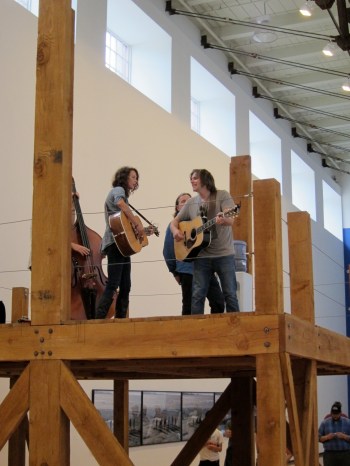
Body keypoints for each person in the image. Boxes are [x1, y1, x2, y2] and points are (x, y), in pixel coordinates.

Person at [170, 169, 240, 314]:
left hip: (224, 254)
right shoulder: (191, 202)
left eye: (195, 178)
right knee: (197, 296)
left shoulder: (222, 195)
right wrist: (176, 231)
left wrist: (223, 218)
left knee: (230, 294)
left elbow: (231, 219)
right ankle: (197, 330)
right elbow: (174, 222)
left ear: (205, 179)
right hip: (201, 256)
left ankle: (236, 328)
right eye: (191, 178)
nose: (192, 181)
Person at [95, 166, 153, 319]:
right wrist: (137, 223)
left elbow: (126, 229)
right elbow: (120, 203)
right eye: (133, 177)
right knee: (113, 283)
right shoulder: (118, 190)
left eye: (136, 178)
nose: (136, 180)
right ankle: (98, 319)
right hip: (115, 243)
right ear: (124, 177)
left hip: (122, 245)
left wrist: (144, 231)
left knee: (126, 286)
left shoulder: (125, 203)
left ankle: (121, 320)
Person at [163, 192, 225, 315]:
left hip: (206, 268)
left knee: (218, 302)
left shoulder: (202, 222)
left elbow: (212, 244)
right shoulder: (174, 227)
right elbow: (168, 251)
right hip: (186, 270)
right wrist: (175, 272)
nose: (187, 204)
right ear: (177, 208)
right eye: (183, 202)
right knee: (189, 307)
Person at [318, 401, 350, 466]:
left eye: (337, 414)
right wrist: (327, 437)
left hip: (345, 454)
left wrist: (344, 436)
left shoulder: (348, 422)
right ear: (331, 413)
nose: (335, 416)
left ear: (340, 413)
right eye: (333, 414)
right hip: (329, 455)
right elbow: (318, 438)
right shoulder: (324, 423)